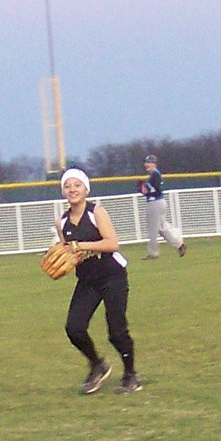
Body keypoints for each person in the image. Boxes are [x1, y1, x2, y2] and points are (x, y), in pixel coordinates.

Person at [56, 167, 142, 394]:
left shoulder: (96, 212)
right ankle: (97, 365)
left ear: (86, 189)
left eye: (77, 185)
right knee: (74, 328)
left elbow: (112, 243)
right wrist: (62, 259)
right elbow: (70, 254)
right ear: (63, 191)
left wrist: (81, 245)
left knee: (116, 331)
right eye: (68, 186)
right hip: (87, 280)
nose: (72, 189)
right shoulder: (62, 222)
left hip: (112, 276)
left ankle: (131, 375)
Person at [139, 154, 186, 259]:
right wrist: (146, 191)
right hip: (158, 202)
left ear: (154, 164)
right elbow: (154, 190)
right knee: (162, 227)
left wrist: (145, 190)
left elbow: (156, 190)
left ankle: (153, 253)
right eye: (146, 162)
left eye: (149, 162)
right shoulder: (154, 175)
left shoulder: (155, 175)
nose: (147, 164)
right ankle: (179, 244)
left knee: (153, 229)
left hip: (155, 203)